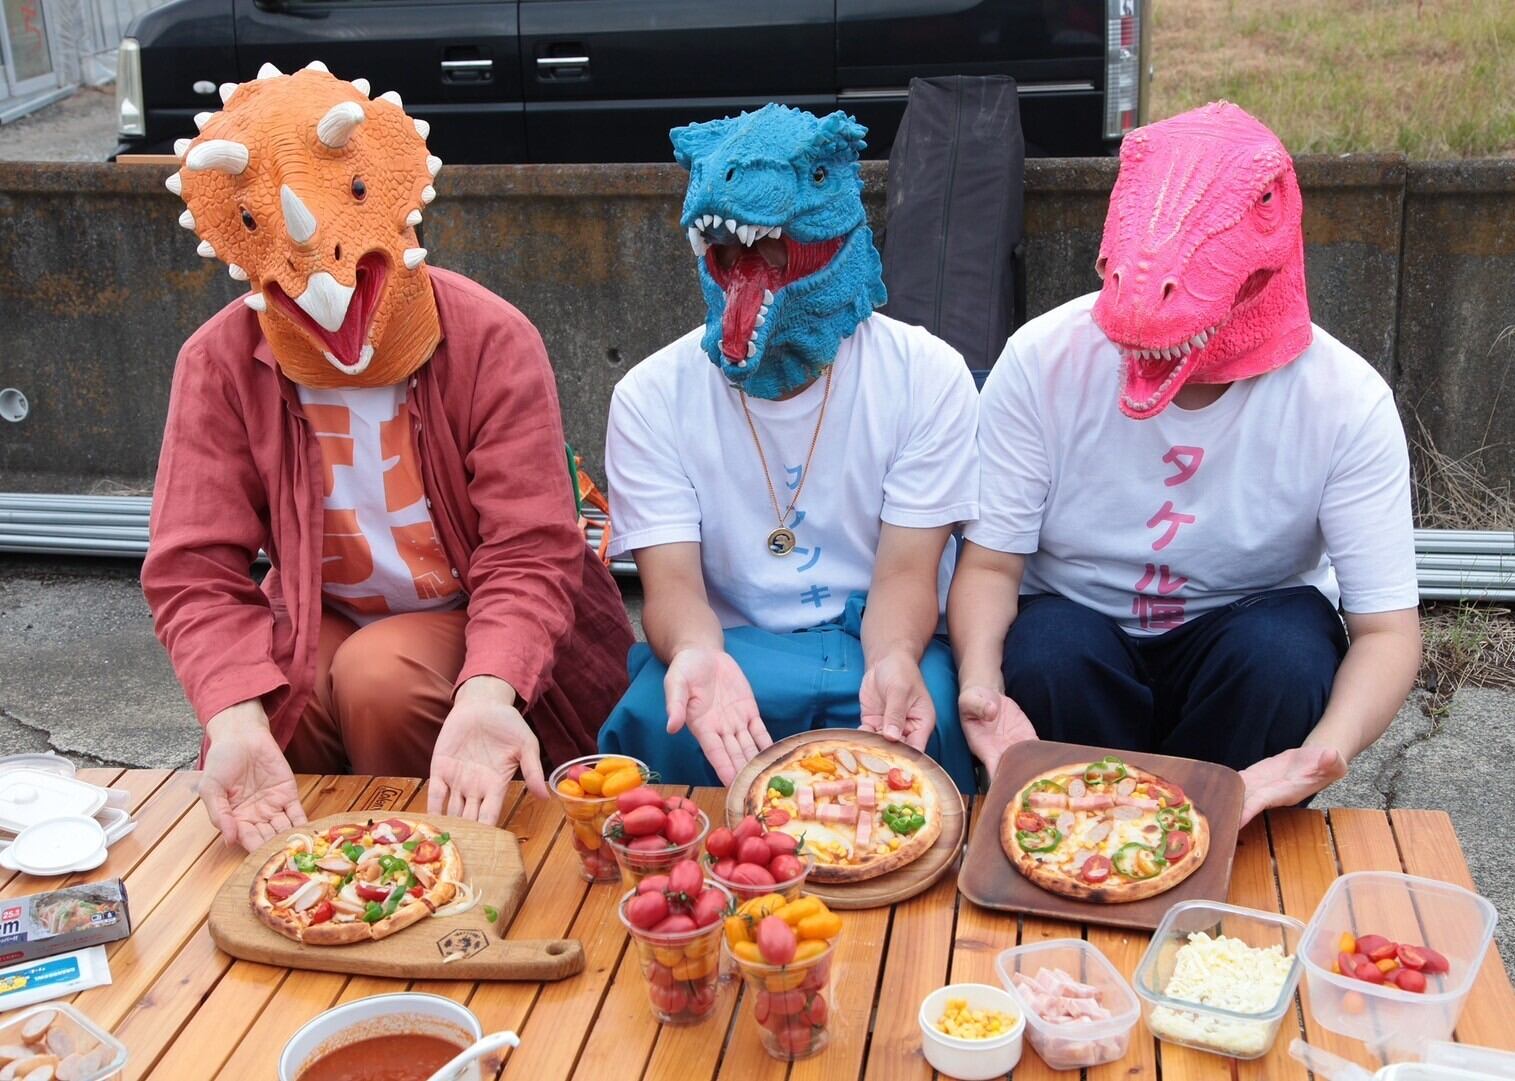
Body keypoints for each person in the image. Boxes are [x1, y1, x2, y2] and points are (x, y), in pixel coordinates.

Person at [142, 62, 632, 851]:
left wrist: (487, 695)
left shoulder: (492, 337)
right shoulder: (216, 360)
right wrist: (231, 718)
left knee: (381, 676)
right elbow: (192, 566)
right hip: (324, 612)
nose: (322, 281)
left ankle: (434, 862)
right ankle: (321, 880)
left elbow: (528, 547)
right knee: (282, 694)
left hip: (466, 611)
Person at [948, 102, 1421, 824]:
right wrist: (982, 685)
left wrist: (1326, 746)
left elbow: (1386, 629)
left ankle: (1224, 825)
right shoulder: (1043, 358)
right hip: (1079, 636)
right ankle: (1083, 829)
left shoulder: (1345, 398)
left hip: (1243, 642)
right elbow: (988, 565)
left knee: (1287, 659)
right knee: (1048, 654)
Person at [597, 104, 984, 790]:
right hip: (728, 642)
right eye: (729, 252)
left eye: (769, 249)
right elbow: (671, 586)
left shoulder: (925, 373)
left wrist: (894, 657)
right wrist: (695, 652)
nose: (746, 262)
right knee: (663, 716)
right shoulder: (649, 394)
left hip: (876, 632)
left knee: (930, 716)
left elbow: (906, 574)